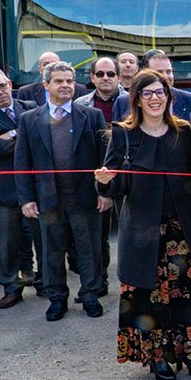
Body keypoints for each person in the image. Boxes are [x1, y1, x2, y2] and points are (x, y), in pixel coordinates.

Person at [94, 69, 191, 380]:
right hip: (141, 232)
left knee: (187, 292)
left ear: (168, 96)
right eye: (147, 93)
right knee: (148, 295)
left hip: (182, 228)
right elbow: (114, 188)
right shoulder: (123, 134)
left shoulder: (184, 132)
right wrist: (104, 182)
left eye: (160, 92)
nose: (155, 98)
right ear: (137, 99)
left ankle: (190, 352)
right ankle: (157, 357)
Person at [14, 61, 112, 321]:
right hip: (48, 198)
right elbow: (22, 162)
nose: (66, 85)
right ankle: (57, 298)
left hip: (85, 196)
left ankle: (90, 295)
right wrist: (26, 199)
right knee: (51, 251)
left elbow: (104, 159)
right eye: (59, 81)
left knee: (89, 249)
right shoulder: (29, 119)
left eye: (69, 81)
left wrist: (105, 192)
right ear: (46, 85)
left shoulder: (91, 116)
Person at [0, 68, 42, 308]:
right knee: (7, 243)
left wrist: (9, 135)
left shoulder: (30, 106)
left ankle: (45, 282)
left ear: (9, 84)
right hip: (2, 192)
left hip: (34, 187)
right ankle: (11, 287)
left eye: (2, 86)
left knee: (41, 239)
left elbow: (40, 140)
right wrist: (22, 134)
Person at [76, 56, 127, 296]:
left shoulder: (132, 100)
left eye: (111, 74)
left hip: (127, 177)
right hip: (98, 178)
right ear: (92, 78)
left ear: (119, 77)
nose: (105, 78)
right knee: (98, 235)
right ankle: (99, 281)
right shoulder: (81, 104)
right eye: (100, 74)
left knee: (129, 233)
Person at [112, 51, 191, 121]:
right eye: (159, 72)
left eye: (168, 72)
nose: (166, 76)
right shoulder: (123, 103)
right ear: (145, 74)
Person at [16, 52, 89, 104]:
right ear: (40, 69)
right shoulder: (26, 92)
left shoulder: (80, 90)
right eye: (46, 64)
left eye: (54, 64)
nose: (50, 67)